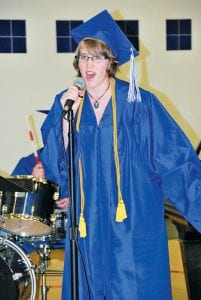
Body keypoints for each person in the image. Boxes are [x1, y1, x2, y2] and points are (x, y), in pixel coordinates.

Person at [40, 10, 201, 300]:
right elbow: (56, 162)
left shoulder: (139, 104)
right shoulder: (67, 104)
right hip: (87, 224)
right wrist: (65, 120)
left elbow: (176, 162)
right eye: (82, 57)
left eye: (96, 57)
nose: (88, 64)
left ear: (111, 62)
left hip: (133, 224)